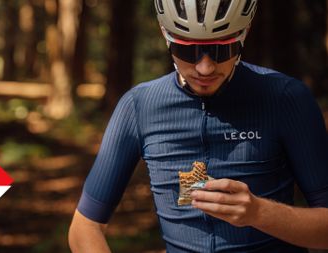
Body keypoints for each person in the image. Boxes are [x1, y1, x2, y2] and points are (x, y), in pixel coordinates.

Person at [68, 0, 328, 252]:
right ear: (165, 34)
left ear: (244, 33)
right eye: (187, 51)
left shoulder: (285, 98)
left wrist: (259, 212)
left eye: (222, 49)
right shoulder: (139, 106)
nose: (205, 68)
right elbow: (85, 227)